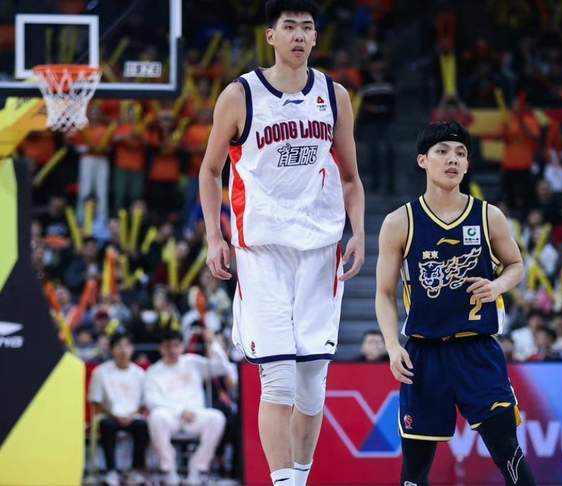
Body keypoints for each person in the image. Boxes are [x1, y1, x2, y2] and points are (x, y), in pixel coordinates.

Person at [198, 1, 365, 485]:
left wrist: (358, 230)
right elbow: (209, 171)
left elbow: (350, 177)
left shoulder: (334, 96)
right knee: (278, 378)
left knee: (312, 385)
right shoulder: (240, 95)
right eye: (289, 26)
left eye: (307, 27)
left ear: (315, 37)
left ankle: (301, 478)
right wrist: (214, 236)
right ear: (270, 36)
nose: (298, 35)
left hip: (321, 250)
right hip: (262, 250)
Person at [375, 121, 536, 485]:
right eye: (443, 152)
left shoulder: (488, 215)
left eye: (460, 153)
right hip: (424, 355)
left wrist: (497, 286)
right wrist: (391, 346)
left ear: (467, 165)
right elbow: (384, 293)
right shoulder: (399, 222)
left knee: (508, 452)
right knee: (414, 472)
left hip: (478, 351)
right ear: (422, 160)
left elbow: (516, 265)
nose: (453, 159)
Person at [145, 329, 234, 485]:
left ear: (182, 346)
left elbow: (221, 367)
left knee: (216, 418)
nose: (172, 350)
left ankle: (198, 468)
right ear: (161, 348)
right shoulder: (154, 371)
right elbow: (151, 401)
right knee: (156, 417)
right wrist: (180, 411)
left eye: (176, 345)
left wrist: (213, 343)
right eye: (167, 346)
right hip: (170, 417)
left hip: (195, 416)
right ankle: (169, 470)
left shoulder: (193, 362)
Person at [88, 333, 147, 486]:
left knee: (142, 426)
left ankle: (136, 470)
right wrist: (114, 415)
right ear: (112, 349)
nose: (123, 350)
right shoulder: (100, 372)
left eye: (127, 346)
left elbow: (143, 404)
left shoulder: (140, 374)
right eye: (119, 346)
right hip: (109, 416)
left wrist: (131, 415)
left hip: (133, 416)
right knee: (107, 425)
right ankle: (111, 471)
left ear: (132, 349)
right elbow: (95, 401)